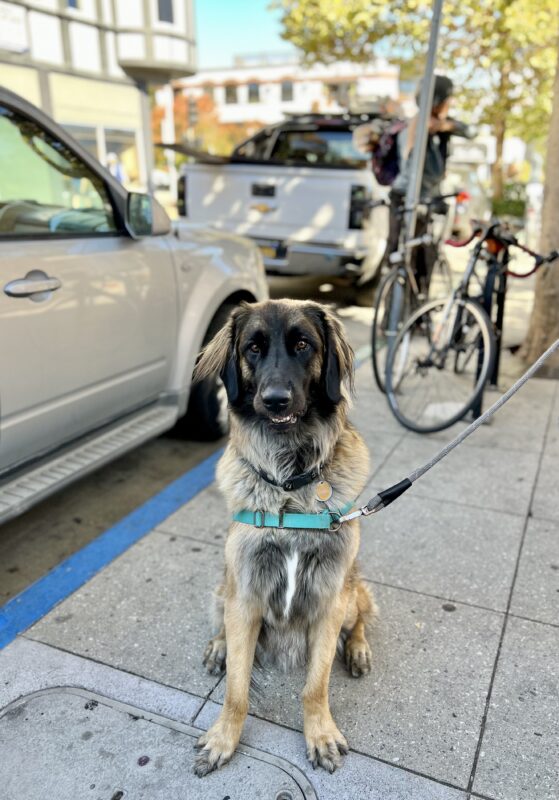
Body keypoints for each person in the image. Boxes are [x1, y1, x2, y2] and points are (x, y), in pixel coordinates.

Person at [389, 74, 474, 294]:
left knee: (421, 259)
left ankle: (413, 309)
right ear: (437, 99)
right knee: (406, 258)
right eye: (448, 99)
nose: (450, 103)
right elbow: (416, 168)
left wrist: (445, 126)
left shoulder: (438, 127)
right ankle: (397, 312)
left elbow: (469, 131)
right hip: (409, 197)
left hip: (421, 197)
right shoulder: (417, 125)